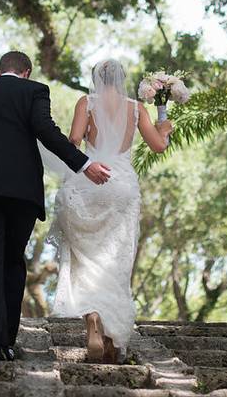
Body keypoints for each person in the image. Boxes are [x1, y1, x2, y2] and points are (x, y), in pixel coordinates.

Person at [0, 50, 112, 366]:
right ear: (26, 72)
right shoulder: (34, 91)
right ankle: (7, 343)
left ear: (0, 71)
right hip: (21, 192)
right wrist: (84, 164)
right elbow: (46, 130)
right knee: (12, 260)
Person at [47, 59, 172, 363]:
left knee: (85, 258)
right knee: (115, 261)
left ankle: (91, 318)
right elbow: (158, 146)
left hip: (88, 180)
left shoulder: (86, 102)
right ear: (122, 80)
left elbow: (74, 141)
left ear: (96, 79)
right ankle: (112, 336)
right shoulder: (135, 108)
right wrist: (164, 128)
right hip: (121, 185)